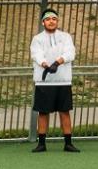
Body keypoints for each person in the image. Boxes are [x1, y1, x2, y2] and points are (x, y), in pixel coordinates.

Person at [30, 8, 79, 153]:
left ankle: (68, 143)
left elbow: (70, 52)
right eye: (48, 19)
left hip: (63, 81)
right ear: (43, 22)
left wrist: (57, 63)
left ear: (57, 21)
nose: (51, 21)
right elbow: (36, 54)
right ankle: (41, 144)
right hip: (44, 82)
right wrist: (46, 64)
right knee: (43, 112)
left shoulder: (66, 37)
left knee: (64, 112)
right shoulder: (37, 39)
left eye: (54, 19)